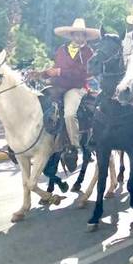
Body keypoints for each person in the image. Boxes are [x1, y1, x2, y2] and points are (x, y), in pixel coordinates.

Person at [40, 18, 100, 169]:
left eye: (81, 35)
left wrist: (60, 72)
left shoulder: (88, 53)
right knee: (39, 103)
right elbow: (56, 67)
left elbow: (84, 74)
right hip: (58, 85)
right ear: (71, 35)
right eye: (76, 34)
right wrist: (44, 74)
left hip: (76, 87)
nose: (79, 37)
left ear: (85, 37)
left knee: (69, 114)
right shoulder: (62, 49)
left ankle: (74, 144)